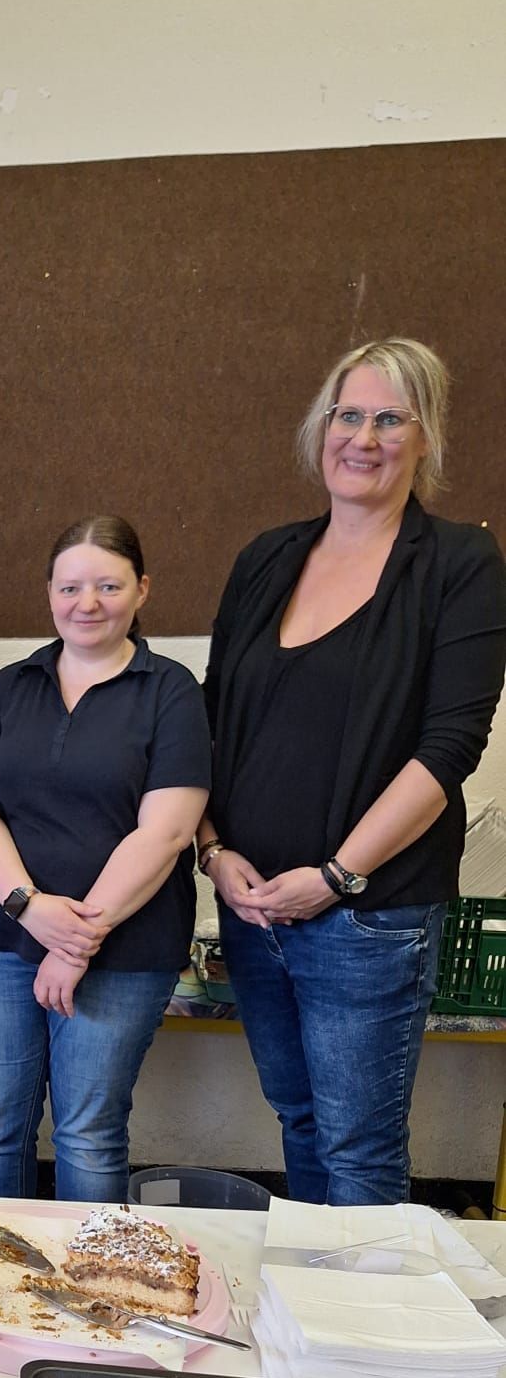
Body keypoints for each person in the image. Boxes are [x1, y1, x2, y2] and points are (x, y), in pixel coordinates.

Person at [199, 338, 506, 1204]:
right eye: (349, 415)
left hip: (368, 917)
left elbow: (449, 749)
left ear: (425, 437)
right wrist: (213, 852)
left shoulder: (458, 566)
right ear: (320, 428)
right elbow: (210, 723)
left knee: (358, 1150)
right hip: (254, 907)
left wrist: (337, 876)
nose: (363, 438)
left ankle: (361, 1297)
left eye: (389, 419)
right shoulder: (266, 559)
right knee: (299, 1121)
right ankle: (313, 1287)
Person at [0, 516, 210, 1201]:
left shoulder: (172, 692)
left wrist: (75, 942)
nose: (87, 603)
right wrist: (28, 908)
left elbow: (166, 832)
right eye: (70, 587)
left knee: (87, 1133)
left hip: (124, 953)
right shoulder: (10, 687)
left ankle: (86, 1273)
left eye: (108, 585)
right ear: (50, 592)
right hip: (3, 942)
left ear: (142, 589)